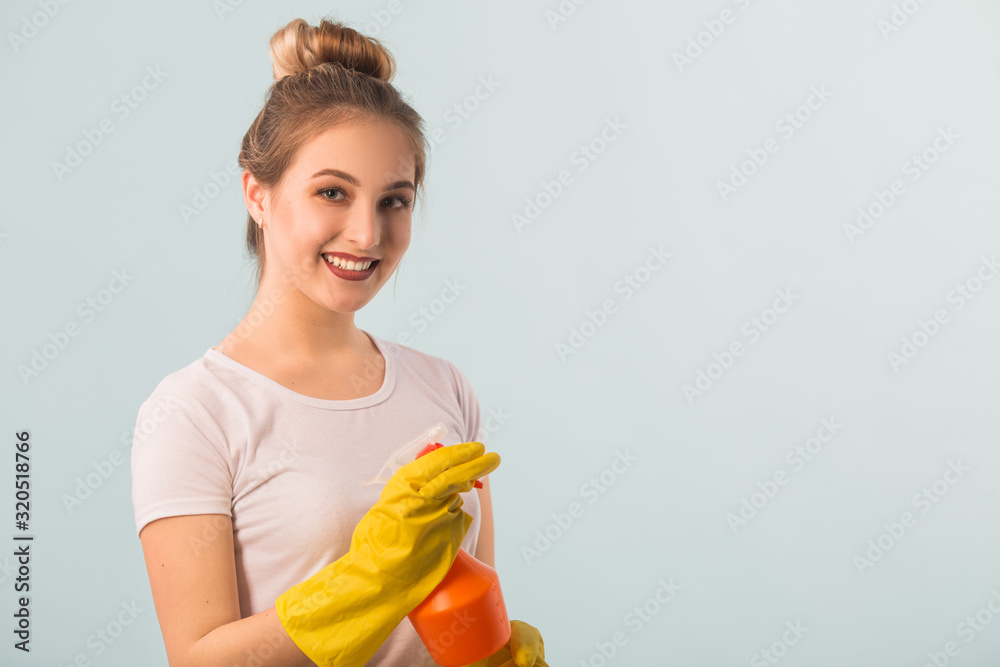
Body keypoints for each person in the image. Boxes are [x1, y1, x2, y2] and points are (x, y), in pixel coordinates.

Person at [130, 16, 547, 667]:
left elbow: (465, 607)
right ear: (257, 194)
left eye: (394, 200)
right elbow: (197, 659)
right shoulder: (194, 411)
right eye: (332, 191)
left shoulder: (445, 387)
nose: (366, 233)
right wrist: (370, 580)